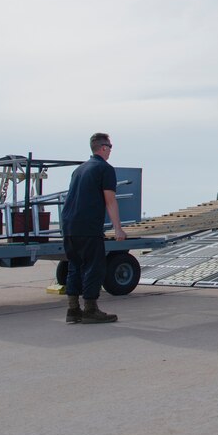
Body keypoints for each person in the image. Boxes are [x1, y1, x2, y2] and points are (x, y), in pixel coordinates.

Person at [60, 132, 126, 324]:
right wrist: (118, 228)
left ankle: (73, 310)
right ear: (103, 148)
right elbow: (110, 200)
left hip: (69, 225)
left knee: (75, 266)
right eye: (110, 147)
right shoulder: (105, 169)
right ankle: (90, 310)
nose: (111, 150)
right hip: (88, 226)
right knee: (94, 267)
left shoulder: (79, 170)